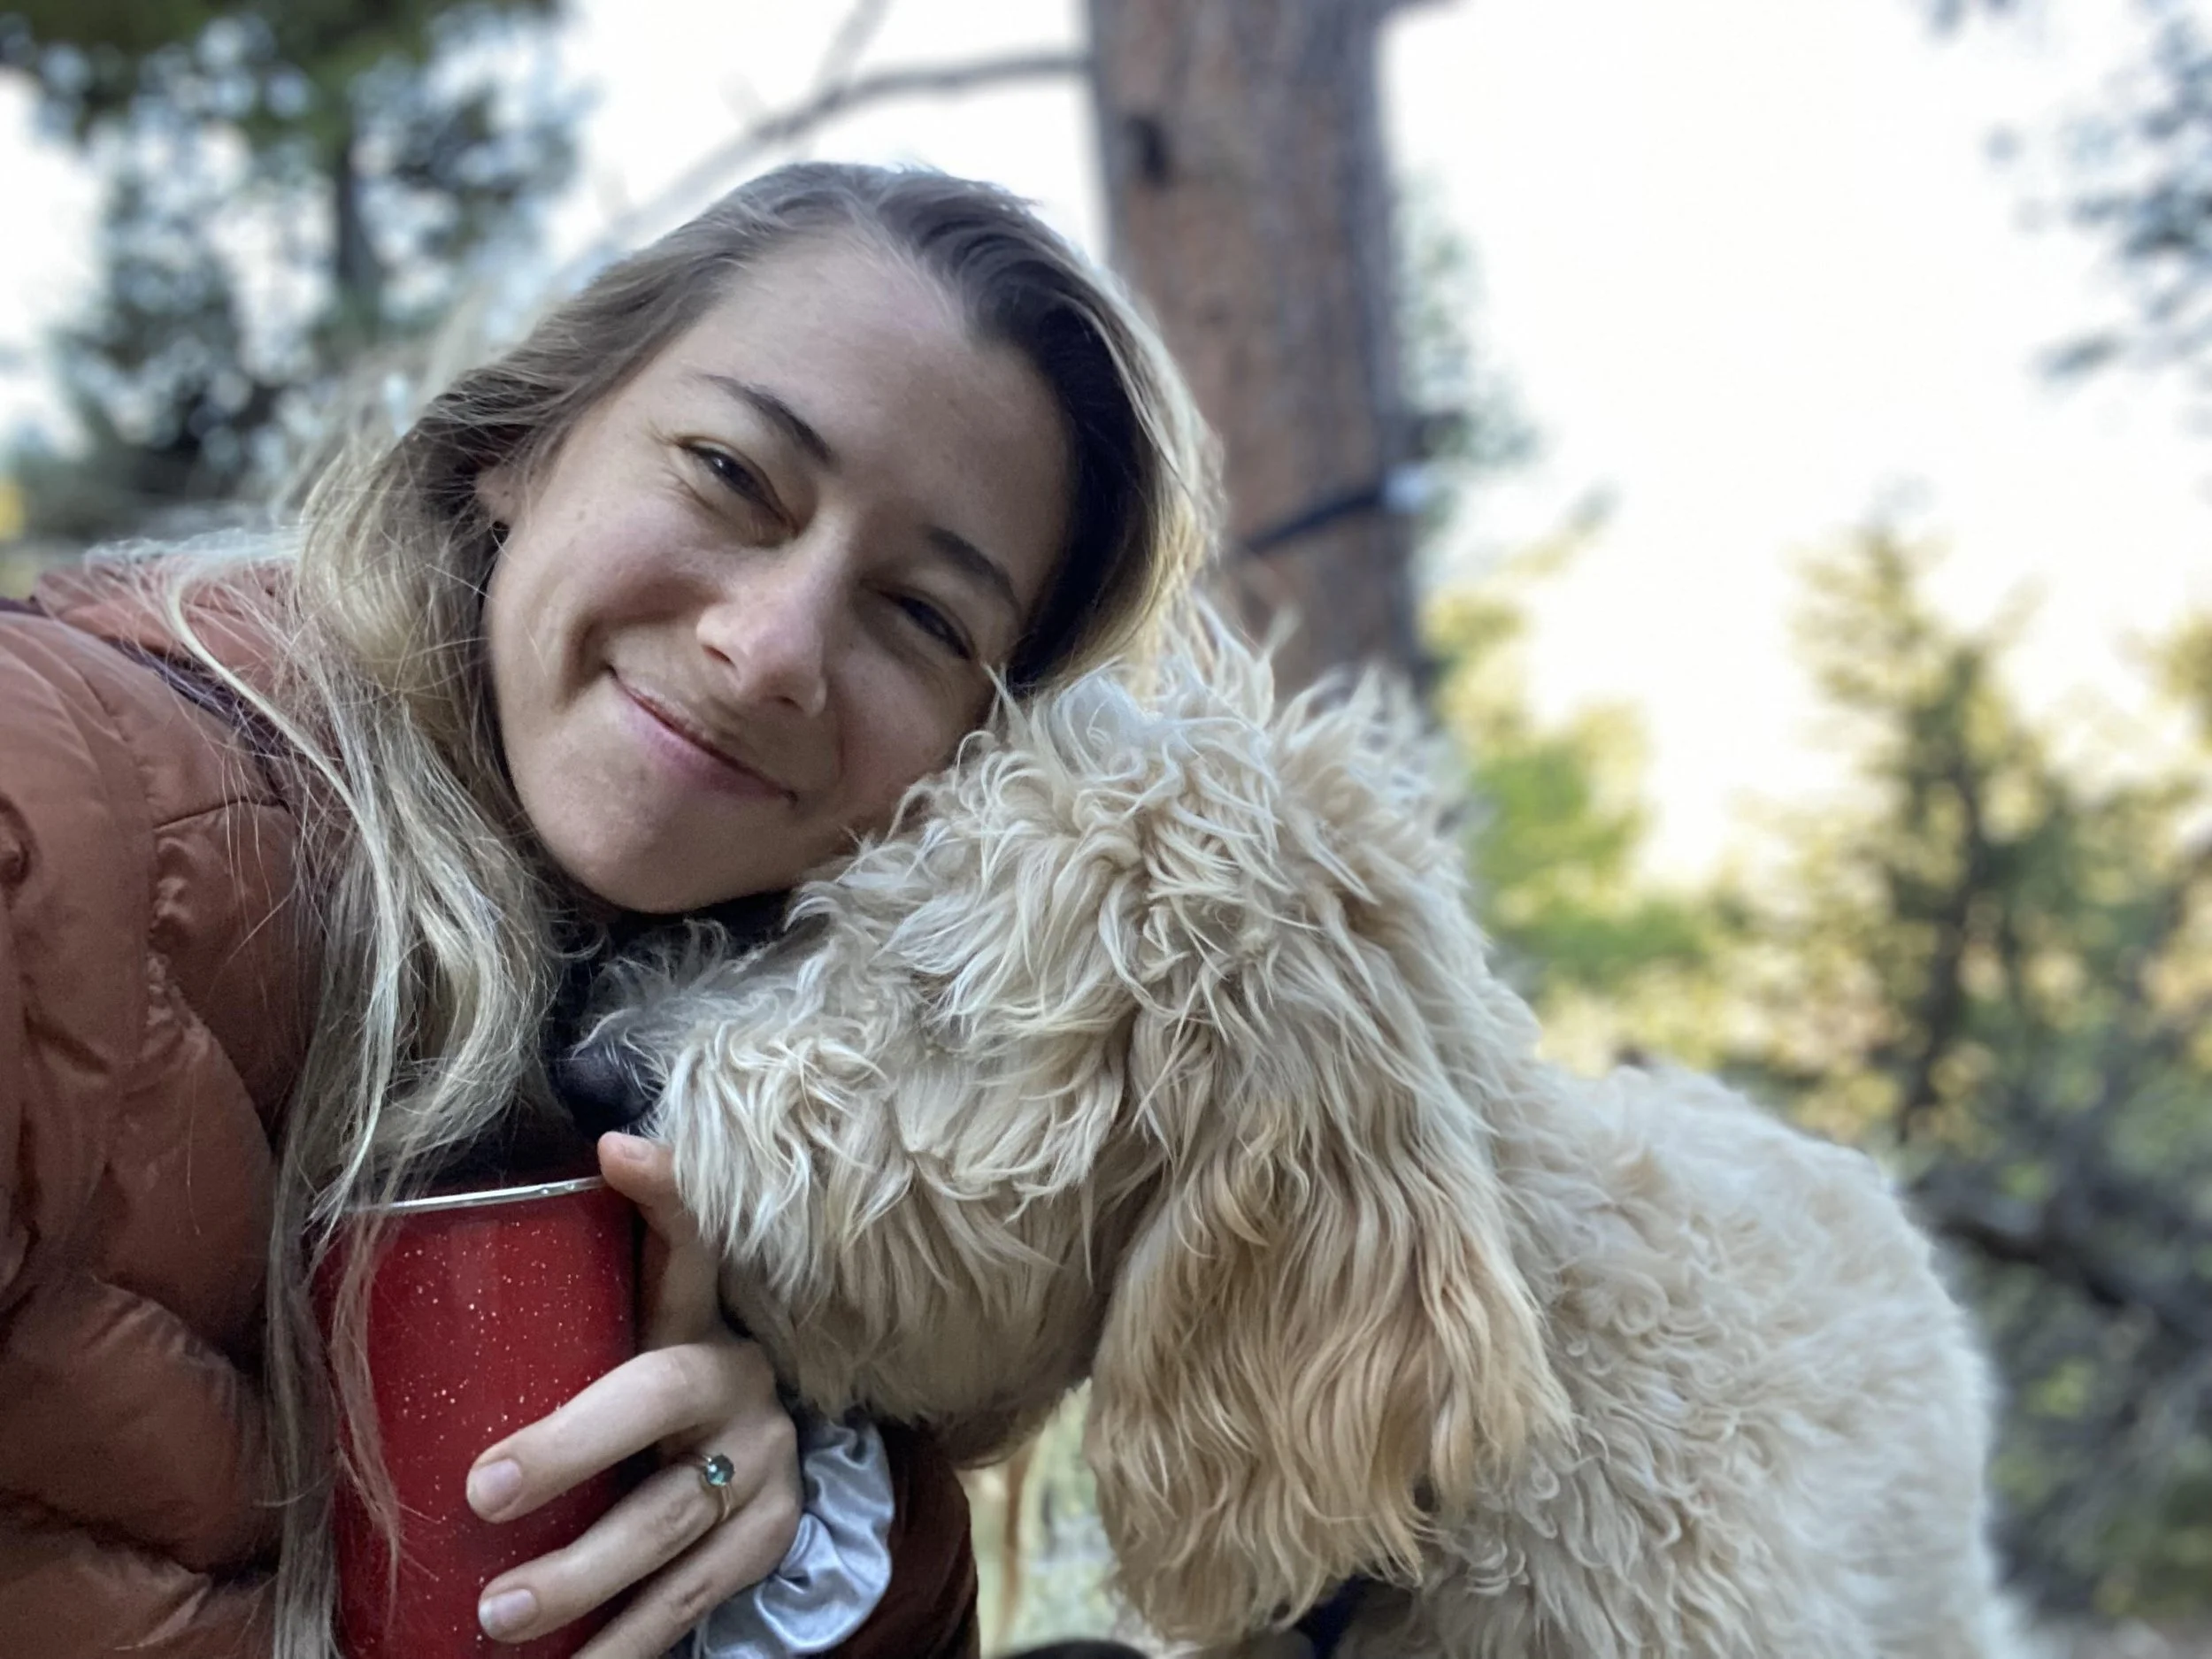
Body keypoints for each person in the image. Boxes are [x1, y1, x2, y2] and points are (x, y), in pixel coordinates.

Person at [0, 160, 1213, 1658]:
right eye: (731, 475)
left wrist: (792, 1544)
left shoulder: (817, 1177)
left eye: (920, 615)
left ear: (976, 756)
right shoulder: (61, 836)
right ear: (525, 440)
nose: (772, 650)